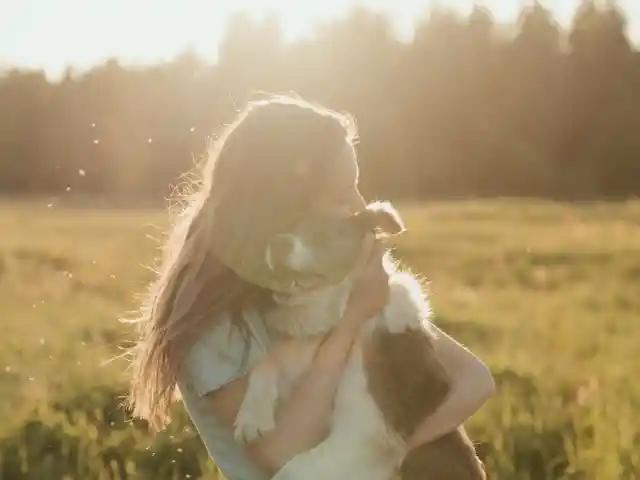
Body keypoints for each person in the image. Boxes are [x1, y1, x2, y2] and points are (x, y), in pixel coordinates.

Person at [127, 95, 495, 480]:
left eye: (356, 187)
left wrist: (397, 446)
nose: (357, 204)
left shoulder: (330, 283)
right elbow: (282, 452)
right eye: (340, 194)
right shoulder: (208, 322)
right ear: (283, 202)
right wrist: (352, 319)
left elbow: (473, 380)